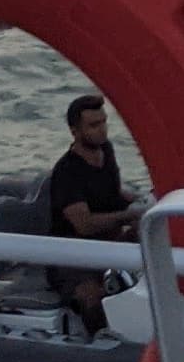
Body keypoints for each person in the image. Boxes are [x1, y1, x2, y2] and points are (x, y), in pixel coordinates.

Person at [47, 90, 135, 337]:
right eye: (94, 125)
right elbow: (83, 224)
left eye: (104, 122)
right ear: (75, 131)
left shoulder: (106, 151)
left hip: (109, 243)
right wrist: (127, 216)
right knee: (91, 297)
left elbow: (114, 193)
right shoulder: (67, 173)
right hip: (72, 257)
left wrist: (142, 204)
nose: (102, 130)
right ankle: (100, 342)